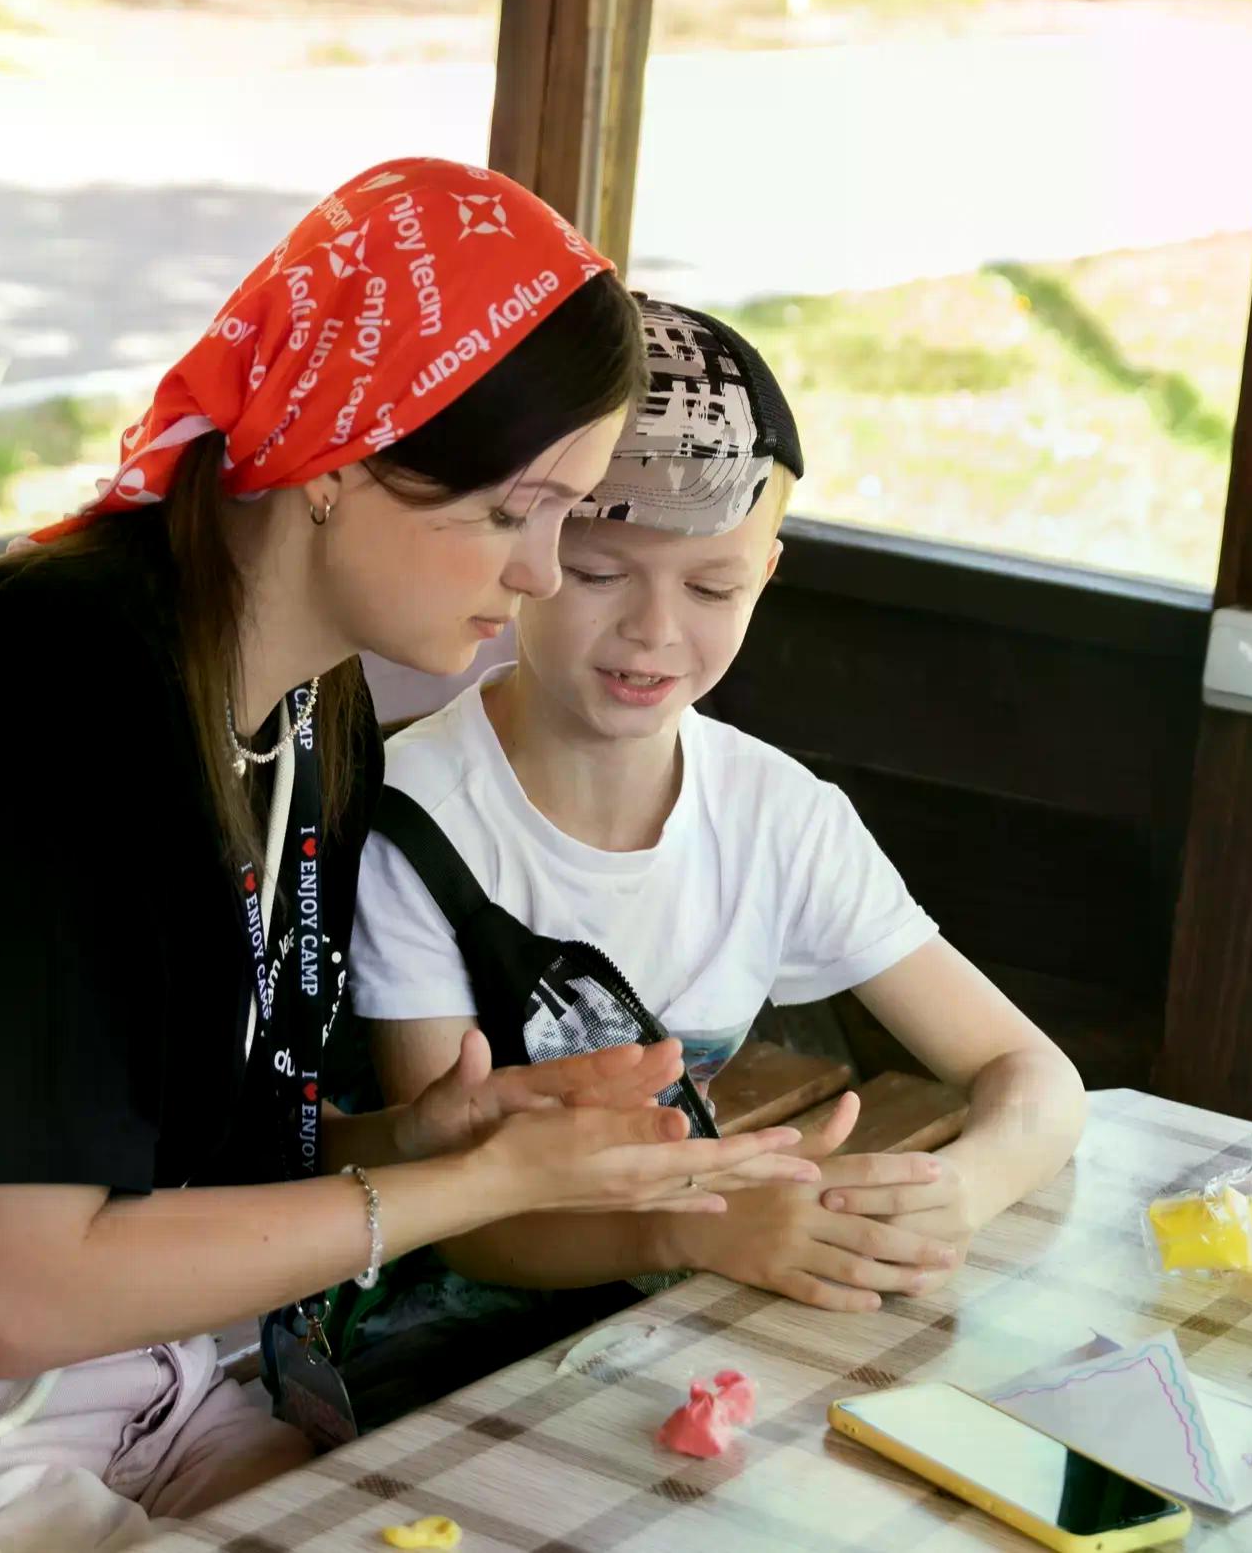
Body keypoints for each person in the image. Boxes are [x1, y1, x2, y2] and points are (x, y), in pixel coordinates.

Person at [0, 162, 814, 1552]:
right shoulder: (47, 686)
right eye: (513, 511)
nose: (541, 572)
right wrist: (477, 1189)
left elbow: (180, 1175)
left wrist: (423, 1141)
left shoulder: (311, 710)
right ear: (338, 457)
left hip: (158, 1393)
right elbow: (16, 1292)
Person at [350, 296, 1089, 1340]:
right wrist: (692, 1231)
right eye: (600, 573)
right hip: (445, 1344)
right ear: (526, 544)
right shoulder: (414, 817)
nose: (653, 631)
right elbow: (460, 1222)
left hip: (676, 1309)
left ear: (766, 575)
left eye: (712, 587)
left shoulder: (774, 815)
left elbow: (1035, 1075)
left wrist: (958, 1189)